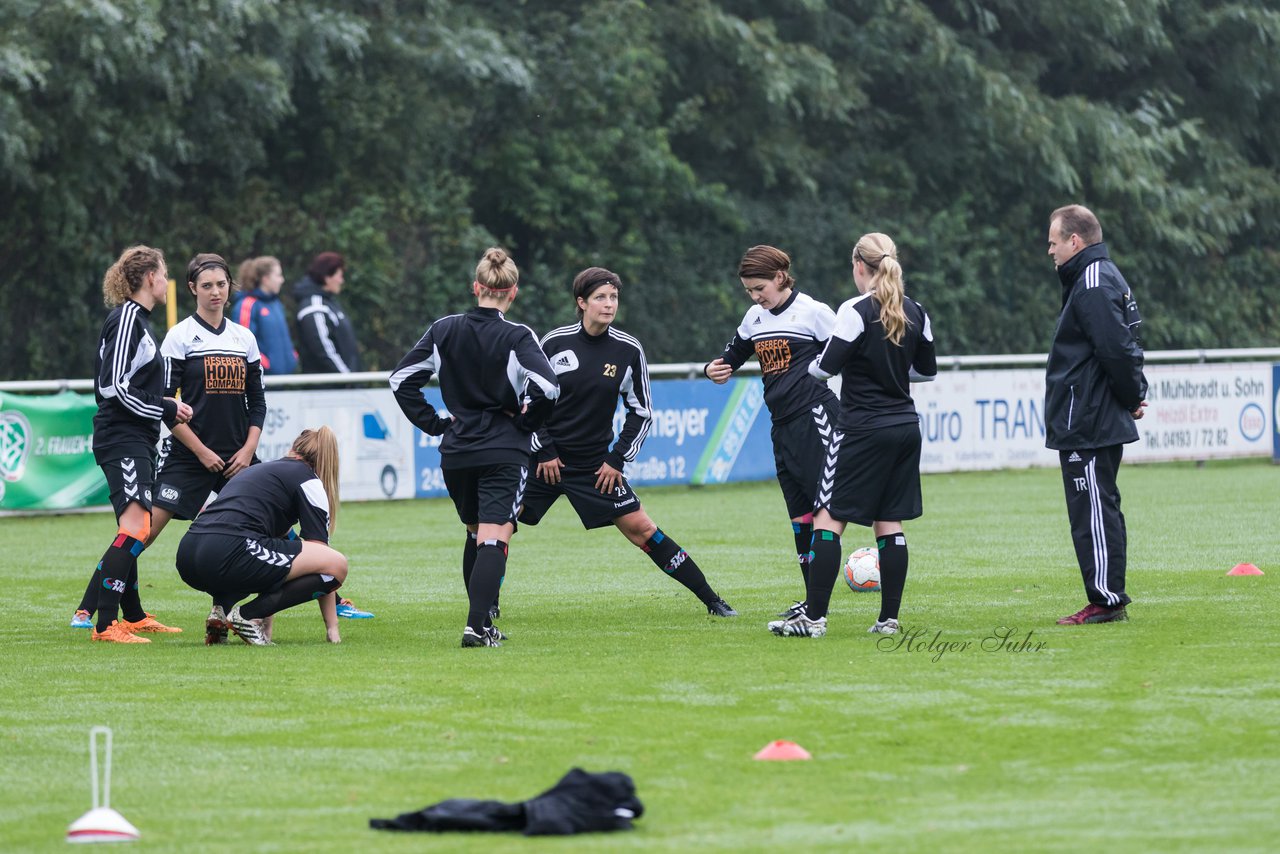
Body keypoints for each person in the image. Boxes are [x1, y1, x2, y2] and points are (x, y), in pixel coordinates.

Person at [520, 267, 737, 617]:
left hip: (596, 466)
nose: (609, 305)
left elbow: (641, 412)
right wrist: (543, 450)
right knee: (495, 523)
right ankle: (486, 609)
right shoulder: (554, 343)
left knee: (643, 530)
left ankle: (712, 600)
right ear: (581, 302)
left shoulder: (627, 349)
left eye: (614, 297)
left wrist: (616, 460)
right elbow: (529, 402)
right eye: (600, 298)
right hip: (546, 462)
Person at [768, 233, 936, 638]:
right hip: (905, 427)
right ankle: (888, 620)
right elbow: (927, 370)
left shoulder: (855, 309)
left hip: (861, 428)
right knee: (888, 521)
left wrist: (814, 369)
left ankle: (813, 618)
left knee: (828, 517)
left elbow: (824, 368)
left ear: (859, 266)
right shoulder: (916, 310)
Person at [390, 247, 560, 648]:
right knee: (494, 536)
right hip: (503, 448)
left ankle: (481, 623)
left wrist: (435, 423)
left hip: (457, 450)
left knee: (474, 533)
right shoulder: (517, 334)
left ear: (476, 287)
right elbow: (550, 388)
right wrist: (525, 423)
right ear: (512, 292)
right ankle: (476, 627)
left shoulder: (444, 328)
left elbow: (401, 381)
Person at [702, 246, 839, 614]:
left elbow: (848, 359)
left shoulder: (814, 313)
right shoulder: (754, 317)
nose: (755, 296)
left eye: (759, 288)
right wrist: (713, 370)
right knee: (800, 517)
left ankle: (819, 607)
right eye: (749, 290)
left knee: (826, 511)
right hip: (781, 426)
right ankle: (812, 602)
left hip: (815, 420)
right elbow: (728, 359)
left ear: (781, 277)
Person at [78, 245, 193, 642]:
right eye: (164, 274)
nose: (166, 281)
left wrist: (166, 408)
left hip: (136, 437)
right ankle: (106, 624)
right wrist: (163, 407)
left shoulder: (140, 321)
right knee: (136, 527)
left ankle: (134, 614)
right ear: (149, 278)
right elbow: (111, 387)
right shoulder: (127, 317)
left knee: (135, 526)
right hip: (121, 437)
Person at [1045, 204, 1147, 625]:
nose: (1049, 251)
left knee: (1094, 511)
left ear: (1075, 240)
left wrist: (1131, 395)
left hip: (1087, 418)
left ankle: (1106, 600)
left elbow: (1116, 350)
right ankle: (1106, 596)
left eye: (1053, 242)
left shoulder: (1092, 281)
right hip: (1089, 415)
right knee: (1097, 508)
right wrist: (1131, 394)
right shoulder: (1099, 276)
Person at [175, 427, 348, 645]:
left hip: (188, 554)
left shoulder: (260, 472)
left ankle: (220, 613)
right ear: (326, 460)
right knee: (337, 565)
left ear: (293, 449)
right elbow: (324, 559)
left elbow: (279, 560)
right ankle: (246, 616)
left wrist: (267, 627)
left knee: (265, 558)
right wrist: (332, 628)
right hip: (229, 551)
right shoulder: (309, 481)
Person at [294, 251, 361, 375]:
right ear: (327, 277)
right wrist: (346, 378)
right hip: (328, 389)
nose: (342, 281)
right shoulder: (315, 307)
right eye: (339, 276)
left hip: (342, 387)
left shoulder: (330, 303)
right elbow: (323, 350)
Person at [233, 255, 298, 375]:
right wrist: (267, 365)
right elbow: (243, 346)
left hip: (284, 379)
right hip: (262, 380)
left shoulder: (276, 304)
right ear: (266, 279)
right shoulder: (248, 305)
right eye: (278, 275)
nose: (282, 280)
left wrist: (292, 357)